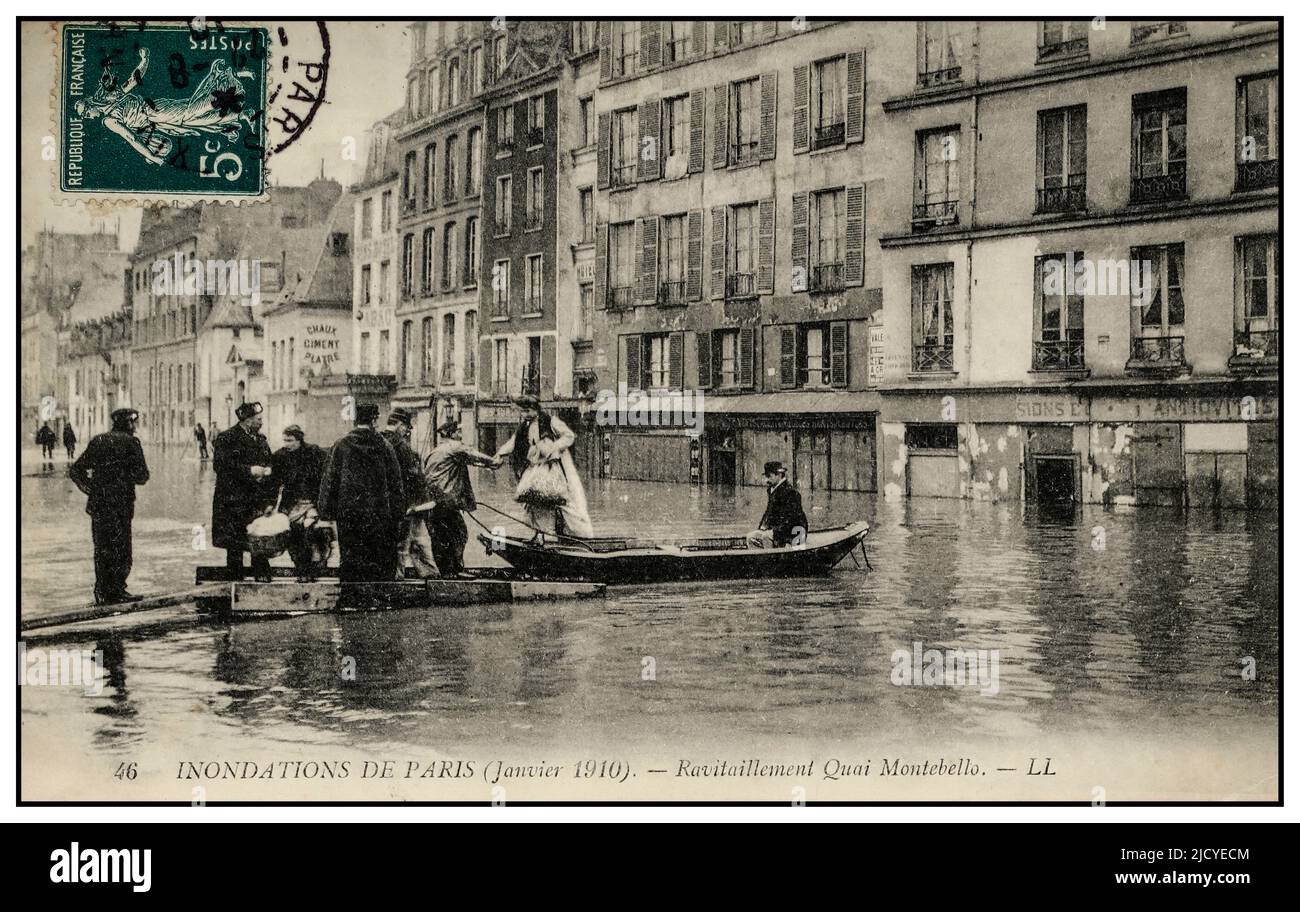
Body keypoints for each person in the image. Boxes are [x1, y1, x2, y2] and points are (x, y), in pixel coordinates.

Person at [318, 403, 406, 583]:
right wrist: (398, 511)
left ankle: (351, 598)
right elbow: (395, 482)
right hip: (378, 513)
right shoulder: (384, 446)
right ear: (374, 420)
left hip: (348, 513)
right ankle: (376, 599)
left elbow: (329, 480)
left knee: (351, 557)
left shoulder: (341, 445)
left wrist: (326, 511)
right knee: (377, 556)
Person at [69, 408, 150, 605]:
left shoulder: (98, 441)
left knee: (102, 547)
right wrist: (124, 478)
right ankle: (117, 590)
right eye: (134, 423)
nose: (135, 426)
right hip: (121, 505)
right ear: (128, 423)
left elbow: (76, 470)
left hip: (99, 505)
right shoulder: (132, 443)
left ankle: (102, 590)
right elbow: (143, 476)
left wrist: (90, 488)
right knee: (121, 548)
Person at [495, 396, 592, 542]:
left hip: (551, 467)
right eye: (522, 412)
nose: (525, 415)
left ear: (535, 409)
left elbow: (569, 436)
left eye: (527, 411)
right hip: (534, 468)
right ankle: (539, 535)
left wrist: (553, 447)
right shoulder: (524, 426)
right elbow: (513, 442)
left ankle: (570, 535)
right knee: (534, 500)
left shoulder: (551, 421)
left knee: (556, 500)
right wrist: (500, 453)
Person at [423, 420, 502, 576]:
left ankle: (446, 571)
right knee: (459, 533)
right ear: (451, 434)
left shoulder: (437, 451)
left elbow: (467, 461)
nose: (460, 434)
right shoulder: (454, 446)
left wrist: (487, 466)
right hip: (445, 500)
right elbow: (471, 454)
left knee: (441, 536)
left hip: (433, 501)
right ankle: (454, 571)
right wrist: (493, 461)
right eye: (458, 432)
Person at [212, 401, 275, 580]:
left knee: (259, 537)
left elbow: (268, 460)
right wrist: (249, 470)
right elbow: (221, 466)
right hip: (233, 501)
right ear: (247, 420)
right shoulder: (226, 438)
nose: (261, 422)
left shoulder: (261, 440)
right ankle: (235, 582)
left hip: (255, 499)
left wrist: (268, 469)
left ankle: (262, 577)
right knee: (235, 545)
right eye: (258, 419)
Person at [382, 408, 437, 579]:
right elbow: (413, 476)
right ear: (398, 424)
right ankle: (430, 579)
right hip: (408, 506)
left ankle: (396, 579)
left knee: (399, 545)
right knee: (414, 543)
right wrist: (421, 502)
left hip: (388, 505)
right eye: (406, 426)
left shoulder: (379, 441)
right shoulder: (401, 446)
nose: (407, 430)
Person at [270, 425, 330, 581]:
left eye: (290, 441)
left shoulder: (315, 453)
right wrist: (271, 504)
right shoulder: (280, 456)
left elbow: (325, 477)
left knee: (313, 535)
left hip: (312, 503)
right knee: (293, 538)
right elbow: (274, 484)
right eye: (285, 441)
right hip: (291, 504)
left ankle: (314, 568)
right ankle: (301, 569)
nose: (287, 444)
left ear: (299, 440)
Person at [747, 461, 809, 549]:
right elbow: (769, 512)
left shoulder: (791, 492)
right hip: (779, 530)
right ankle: (759, 560)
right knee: (751, 537)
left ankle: (771, 560)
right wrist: (761, 527)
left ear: (779, 475)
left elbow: (793, 519)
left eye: (769, 476)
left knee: (766, 537)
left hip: (795, 532)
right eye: (765, 477)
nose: (766, 480)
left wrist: (775, 531)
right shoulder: (772, 490)